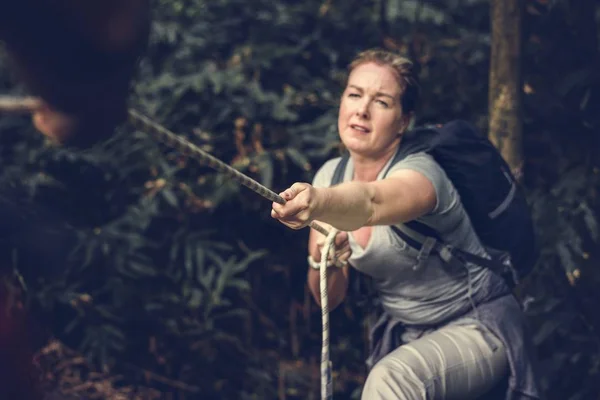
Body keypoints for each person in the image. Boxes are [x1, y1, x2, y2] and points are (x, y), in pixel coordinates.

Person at [271, 48, 543, 400]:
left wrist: (319, 201)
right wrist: (328, 260)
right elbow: (327, 298)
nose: (362, 110)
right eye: (354, 94)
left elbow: (371, 201)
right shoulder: (328, 175)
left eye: (381, 102)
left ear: (403, 121)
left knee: (392, 381)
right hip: (407, 334)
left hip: (478, 324)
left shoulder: (422, 173)